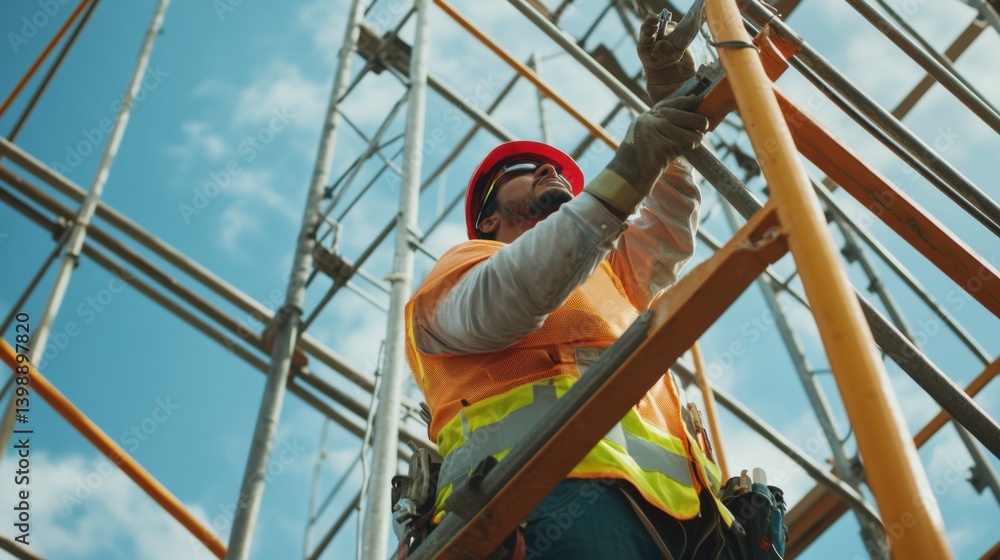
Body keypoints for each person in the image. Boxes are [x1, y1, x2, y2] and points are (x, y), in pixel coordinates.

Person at [403, 13, 738, 560]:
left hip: (680, 524)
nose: (548, 171)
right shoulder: (464, 269)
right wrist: (629, 166)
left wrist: (674, 103)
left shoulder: (608, 279)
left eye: (554, 169)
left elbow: (671, 221)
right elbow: (512, 296)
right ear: (488, 220)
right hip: (541, 506)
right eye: (526, 170)